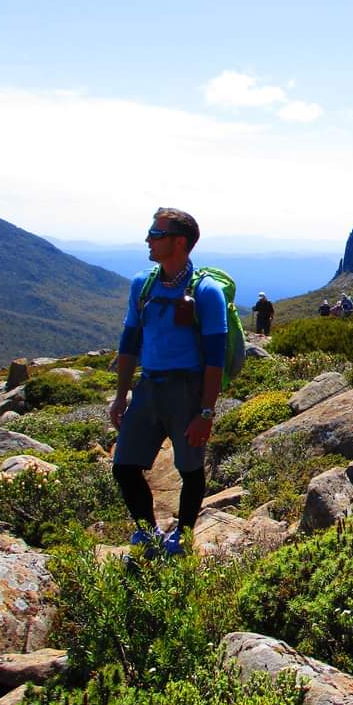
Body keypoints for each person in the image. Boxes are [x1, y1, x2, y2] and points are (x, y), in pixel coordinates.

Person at [109, 207, 227, 557]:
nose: (148, 239)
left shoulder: (206, 292)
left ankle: (183, 537)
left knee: (190, 468)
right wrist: (120, 397)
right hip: (148, 388)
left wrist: (205, 412)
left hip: (187, 390)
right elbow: (130, 341)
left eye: (156, 234)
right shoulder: (142, 285)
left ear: (179, 242)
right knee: (125, 467)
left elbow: (215, 358)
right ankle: (148, 532)